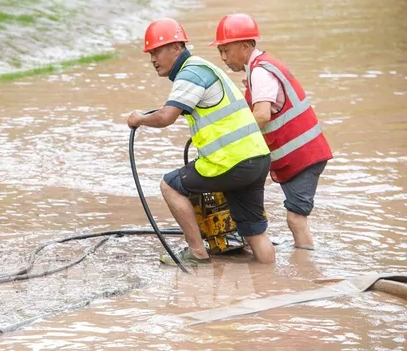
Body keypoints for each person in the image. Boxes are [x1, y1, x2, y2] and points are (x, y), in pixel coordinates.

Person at [127, 18, 276, 265]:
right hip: (257, 158)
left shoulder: (190, 73)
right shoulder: (204, 68)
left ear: (177, 48)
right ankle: (273, 284)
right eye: (150, 53)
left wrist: (139, 119)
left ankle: (197, 253)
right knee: (255, 233)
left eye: (157, 51)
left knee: (170, 185)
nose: (153, 59)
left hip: (230, 162)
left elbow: (166, 117)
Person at [209, 13, 333, 250]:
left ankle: (305, 270)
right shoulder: (260, 67)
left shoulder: (260, 73)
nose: (223, 57)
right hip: (301, 155)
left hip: (302, 157)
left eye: (226, 50)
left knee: (296, 219)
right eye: (220, 51)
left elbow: (262, 115)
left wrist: (231, 139)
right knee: (295, 216)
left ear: (245, 46)